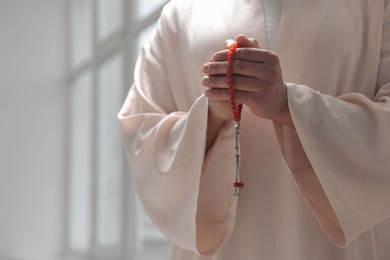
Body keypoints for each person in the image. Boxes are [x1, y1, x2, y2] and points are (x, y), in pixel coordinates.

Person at [118, 0, 390, 259]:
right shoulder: (179, 14)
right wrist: (211, 114)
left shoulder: (375, 6)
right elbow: (141, 133)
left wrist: (288, 104)